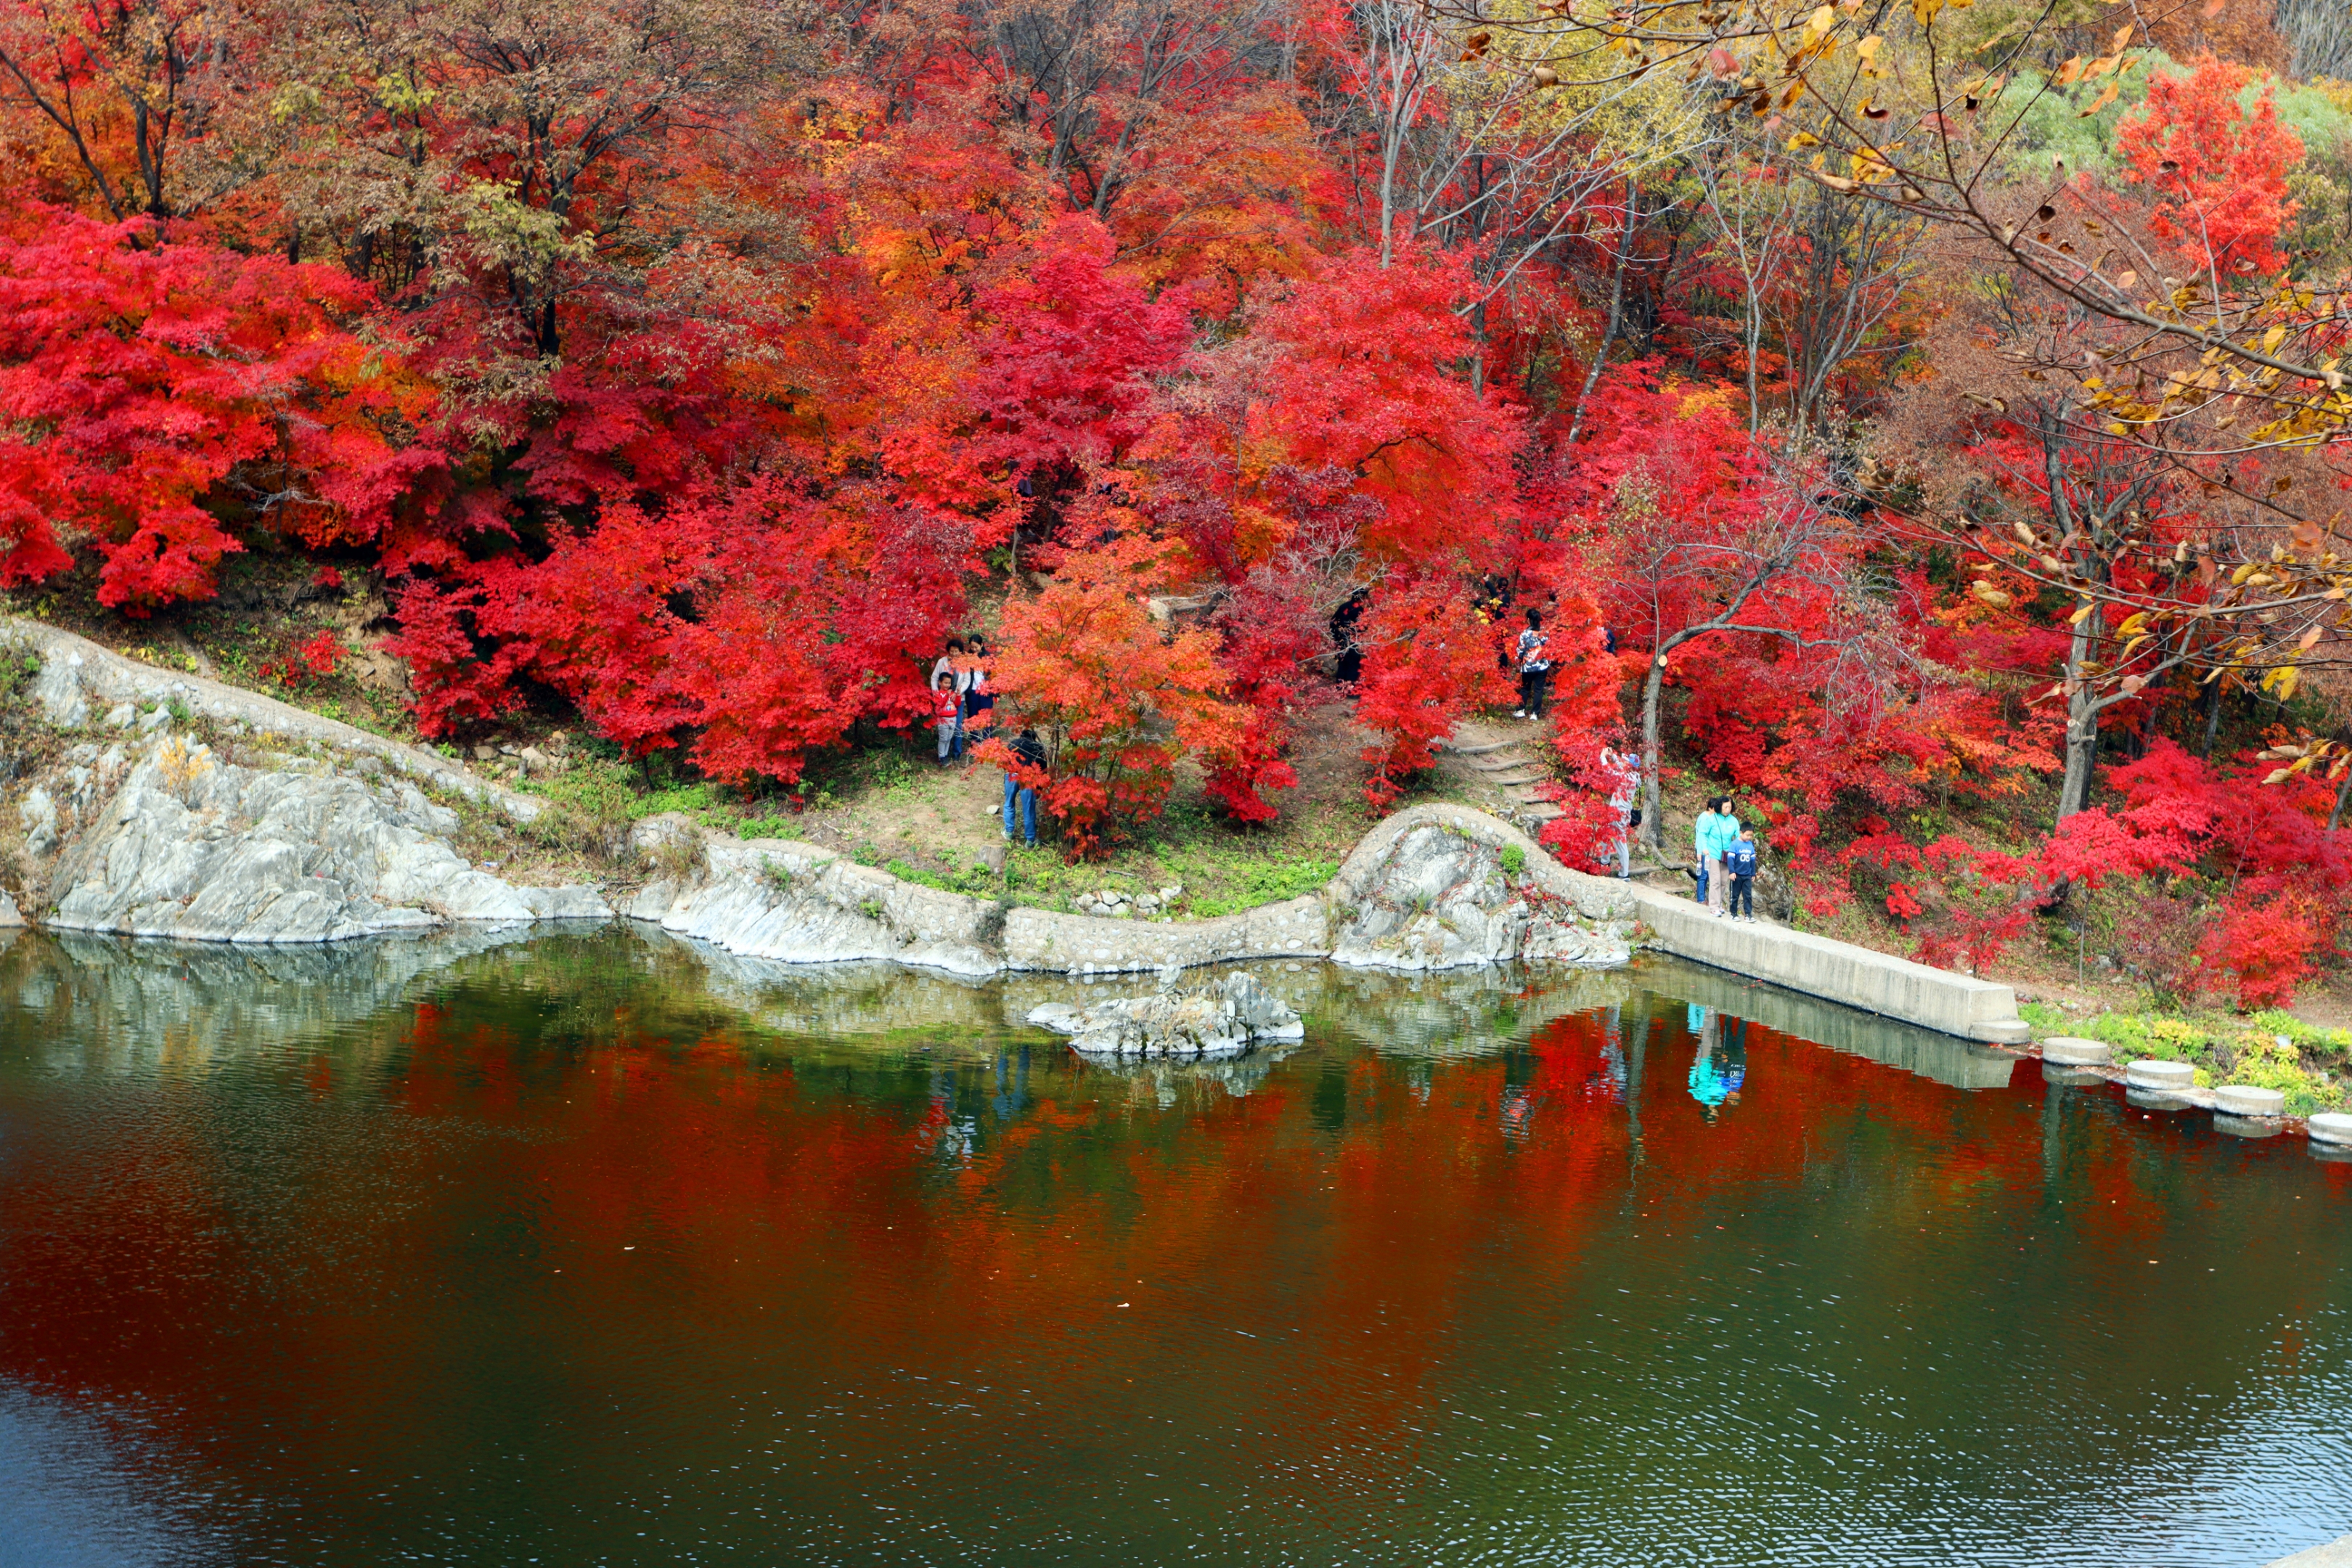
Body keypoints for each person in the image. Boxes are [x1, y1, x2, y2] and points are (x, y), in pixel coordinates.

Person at [1694, 796, 1740, 915]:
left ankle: (1719, 904)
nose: (1727, 809)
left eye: (1729, 807)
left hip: (1726, 855)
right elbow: (1703, 833)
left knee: (1724, 880)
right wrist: (1704, 848)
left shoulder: (1734, 821)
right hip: (1712, 853)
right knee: (1715, 880)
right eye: (1725, 807)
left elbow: (1738, 837)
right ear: (1720, 807)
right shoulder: (1712, 819)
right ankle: (1713, 907)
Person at [1601, 744, 1641, 878]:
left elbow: (1610, 772)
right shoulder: (1633, 775)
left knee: (1620, 843)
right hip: (1619, 812)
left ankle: (1624, 874)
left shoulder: (1626, 778)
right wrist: (1612, 756)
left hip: (1620, 814)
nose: (1624, 762)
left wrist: (1603, 758)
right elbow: (1621, 767)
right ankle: (1604, 862)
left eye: (1626, 761)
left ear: (1630, 765)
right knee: (1606, 835)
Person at [1003, 727, 1047, 845]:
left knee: (1009, 803)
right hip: (1029, 778)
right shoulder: (1038, 747)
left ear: (1021, 735)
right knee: (1029, 809)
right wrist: (1039, 788)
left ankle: (1009, 832)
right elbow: (1043, 769)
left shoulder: (1013, 743)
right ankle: (1030, 840)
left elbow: (1004, 761)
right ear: (1033, 737)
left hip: (1012, 774)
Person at [930, 637, 969, 763]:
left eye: (956, 651)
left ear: (961, 652)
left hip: (958, 698)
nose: (953, 653)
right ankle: (943, 755)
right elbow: (934, 678)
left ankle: (957, 753)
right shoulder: (942, 662)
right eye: (951, 650)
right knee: (944, 726)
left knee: (957, 726)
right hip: (943, 699)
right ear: (948, 650)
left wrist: (958, 692)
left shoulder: (964, 664)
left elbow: (967, 680)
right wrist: (937, 694)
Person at [1514, 608, 1551, 719]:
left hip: (1528, 666)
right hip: (1542, 665)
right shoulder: (1545, 633)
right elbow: (1549, 648)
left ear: (1528, 619)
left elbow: (1520, 651)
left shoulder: (1524, 634)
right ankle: (1535, 713)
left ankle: (1521, 710)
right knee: (1538, 689)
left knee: (1525, 688)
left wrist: (1518, 662)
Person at [963, 634, 997, 745]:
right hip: (972, 691)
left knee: (986, 715)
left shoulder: (988, 656)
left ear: (981, 645)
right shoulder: (967, 657)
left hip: (985, 691)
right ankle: (975, 741)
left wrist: (995, 692)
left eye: (976, 647)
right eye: (972, 647)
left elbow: (994, 675)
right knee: (973, 716)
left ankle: (988, 742)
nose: (974, 649)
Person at [1723, 826, 1760, 921]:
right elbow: (1730, 859)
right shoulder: (1735, 844)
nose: (1749, 837)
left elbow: (1752, 860)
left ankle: (1748, 914)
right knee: (1734, 895)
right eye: (1747, 835)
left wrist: (1753, 873)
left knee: (1748, 895)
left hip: (1747, 875)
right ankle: (1733, 913)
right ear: (1741, 833)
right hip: (1737, 875)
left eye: (1751, 835)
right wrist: (1732, 872)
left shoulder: (1750, 845)